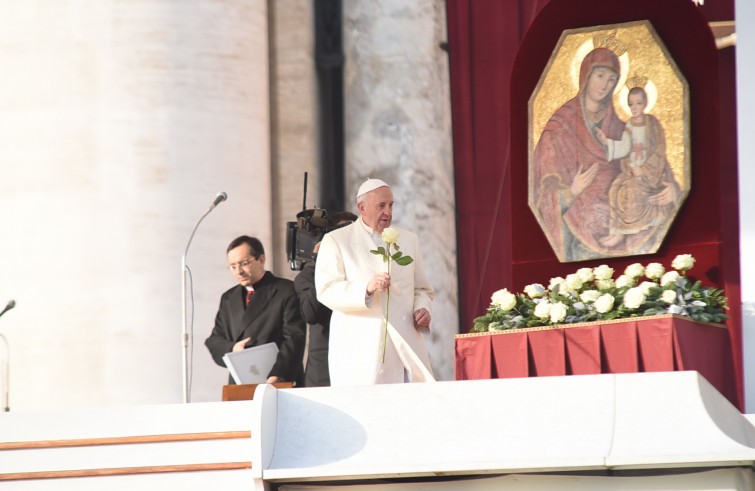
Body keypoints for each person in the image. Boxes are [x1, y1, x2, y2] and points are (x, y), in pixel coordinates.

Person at [315, 178, 435, 386]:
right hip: (360, 348)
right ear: (362, 208)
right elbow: (326, 289)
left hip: (404, 345)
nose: (388, 212)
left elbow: (421, 289)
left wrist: (422, 308)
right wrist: (366, 289)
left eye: (391, 205)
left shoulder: (408, 240)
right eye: (381, 206)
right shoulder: (336, 240)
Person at [532, 46, 626, 262]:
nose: (604, 85)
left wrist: (667, 190)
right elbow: (542, 194)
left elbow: (647, 167)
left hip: (617, 225)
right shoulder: (558, 128)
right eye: (600, 76)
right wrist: (572, 191)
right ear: (586, 75)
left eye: (611, 80)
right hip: (577, 232)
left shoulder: (621, 130)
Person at [205, 235, 306, 385]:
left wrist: (278, 374)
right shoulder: (228, 298)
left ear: (261, 259)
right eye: (233, 266)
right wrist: (233, 348)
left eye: (244, 263)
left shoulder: (285, 290)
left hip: (278, 378)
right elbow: (214, 340)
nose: (238, 271)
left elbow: (294, 338)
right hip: (241, 381)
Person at [596, 83, 680, 252]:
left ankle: (629, 230)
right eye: (631, 104)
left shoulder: (653, 123)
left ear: (645, 103)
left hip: (651, 173)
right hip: (632, 170)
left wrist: (645, 169)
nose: (635, 107)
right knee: (614, 188)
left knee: (631, 191)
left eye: (638, 103)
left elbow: (660, 150)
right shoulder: (629, 124)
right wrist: (607, 142)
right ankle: (616, 231)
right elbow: (625, 147)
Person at [293, 211, 357, 387]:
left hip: (359, 364)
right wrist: (322, 263)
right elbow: (311, 314)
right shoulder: (309, 275)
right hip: (324, 371)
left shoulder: (364, 271)